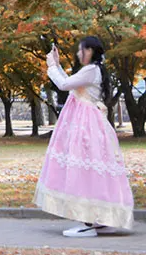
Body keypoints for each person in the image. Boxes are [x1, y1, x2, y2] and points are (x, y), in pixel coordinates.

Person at [34, 36, 134, 237]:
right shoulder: (94, 70)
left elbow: (63, 85)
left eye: (82, 50)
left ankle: (87, 221)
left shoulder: (91, 70)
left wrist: (52, 66)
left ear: (91, 51)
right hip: (89, 122)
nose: (80, 54)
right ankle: (99, 220)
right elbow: (69, 83)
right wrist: (58, 66)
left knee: (83, 169)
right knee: (93, 171)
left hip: (85, 125)